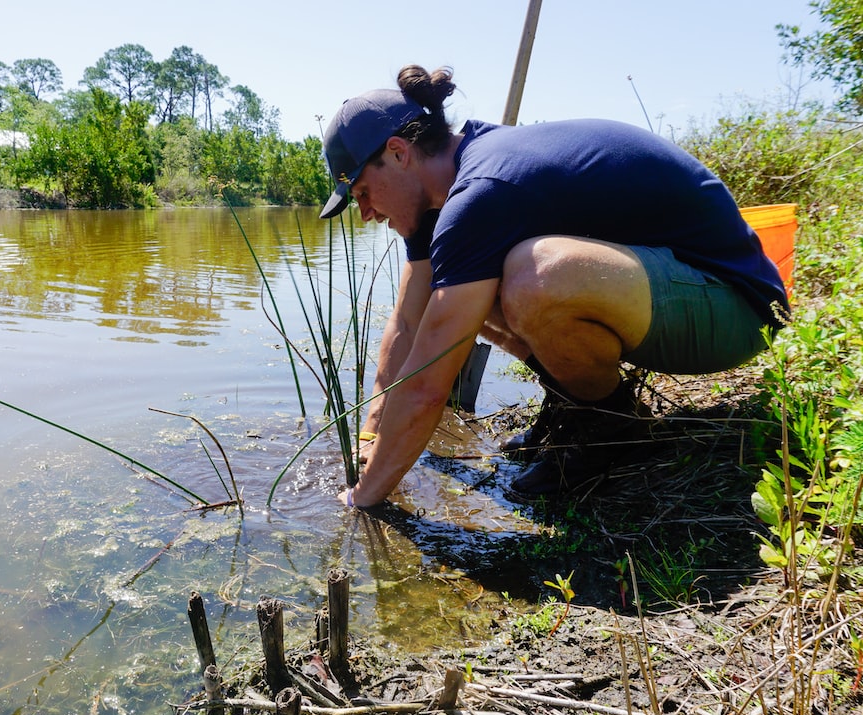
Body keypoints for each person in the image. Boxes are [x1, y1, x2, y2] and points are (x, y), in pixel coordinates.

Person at [318, 65, 789, 508]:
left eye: (361, 193)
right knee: (464, 295)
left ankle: (607, 426)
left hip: (736, 307)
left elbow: (426, 387)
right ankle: (577, 402)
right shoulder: (438, 199)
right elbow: (408, 321)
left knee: (530, 275)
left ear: (399, 153)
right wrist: (371, 433)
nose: (367, 213)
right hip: (661, 291)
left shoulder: (482, 190)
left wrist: (364, 496)